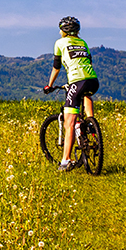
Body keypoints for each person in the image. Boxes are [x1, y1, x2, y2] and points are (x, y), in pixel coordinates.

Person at [43, 16, 99, 172]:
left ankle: (65, 160)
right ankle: (90, 124)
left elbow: (56, 67)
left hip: (77, 81)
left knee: (69, 123)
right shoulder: (83, 43)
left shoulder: (59, 43)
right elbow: (88, 62)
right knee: (86, 94)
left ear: (63, 30)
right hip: (92, 80)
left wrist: (50, 85)